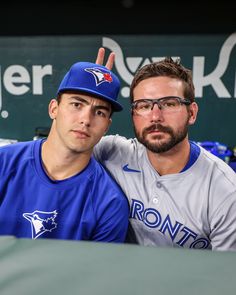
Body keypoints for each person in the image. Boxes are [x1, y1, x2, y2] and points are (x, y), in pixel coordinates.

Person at [94, 48, 236, 251]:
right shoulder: (111, 152)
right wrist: (87, 94)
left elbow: (226, 276)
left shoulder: (225, 191)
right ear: (133, 114)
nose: (155, 116)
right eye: (143, 105)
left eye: (169, 103)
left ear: (192, 113)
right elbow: (61, 150)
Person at [0, 61, 129, 242]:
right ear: (54, 109)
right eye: (77, 104)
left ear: (107, 126)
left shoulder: (109, 203)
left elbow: (98, 270)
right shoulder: (4, 164)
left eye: (99, 112)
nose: (86, 119)